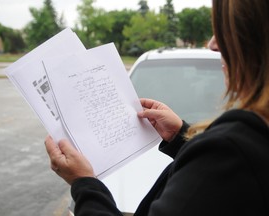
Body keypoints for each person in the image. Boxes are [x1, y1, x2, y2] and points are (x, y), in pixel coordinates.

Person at [44, 0, 269, 215]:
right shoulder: (247, 144)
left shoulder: (229, 153)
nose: (212, 44)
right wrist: (181, 137)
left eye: (226, 29)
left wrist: (84, 184)